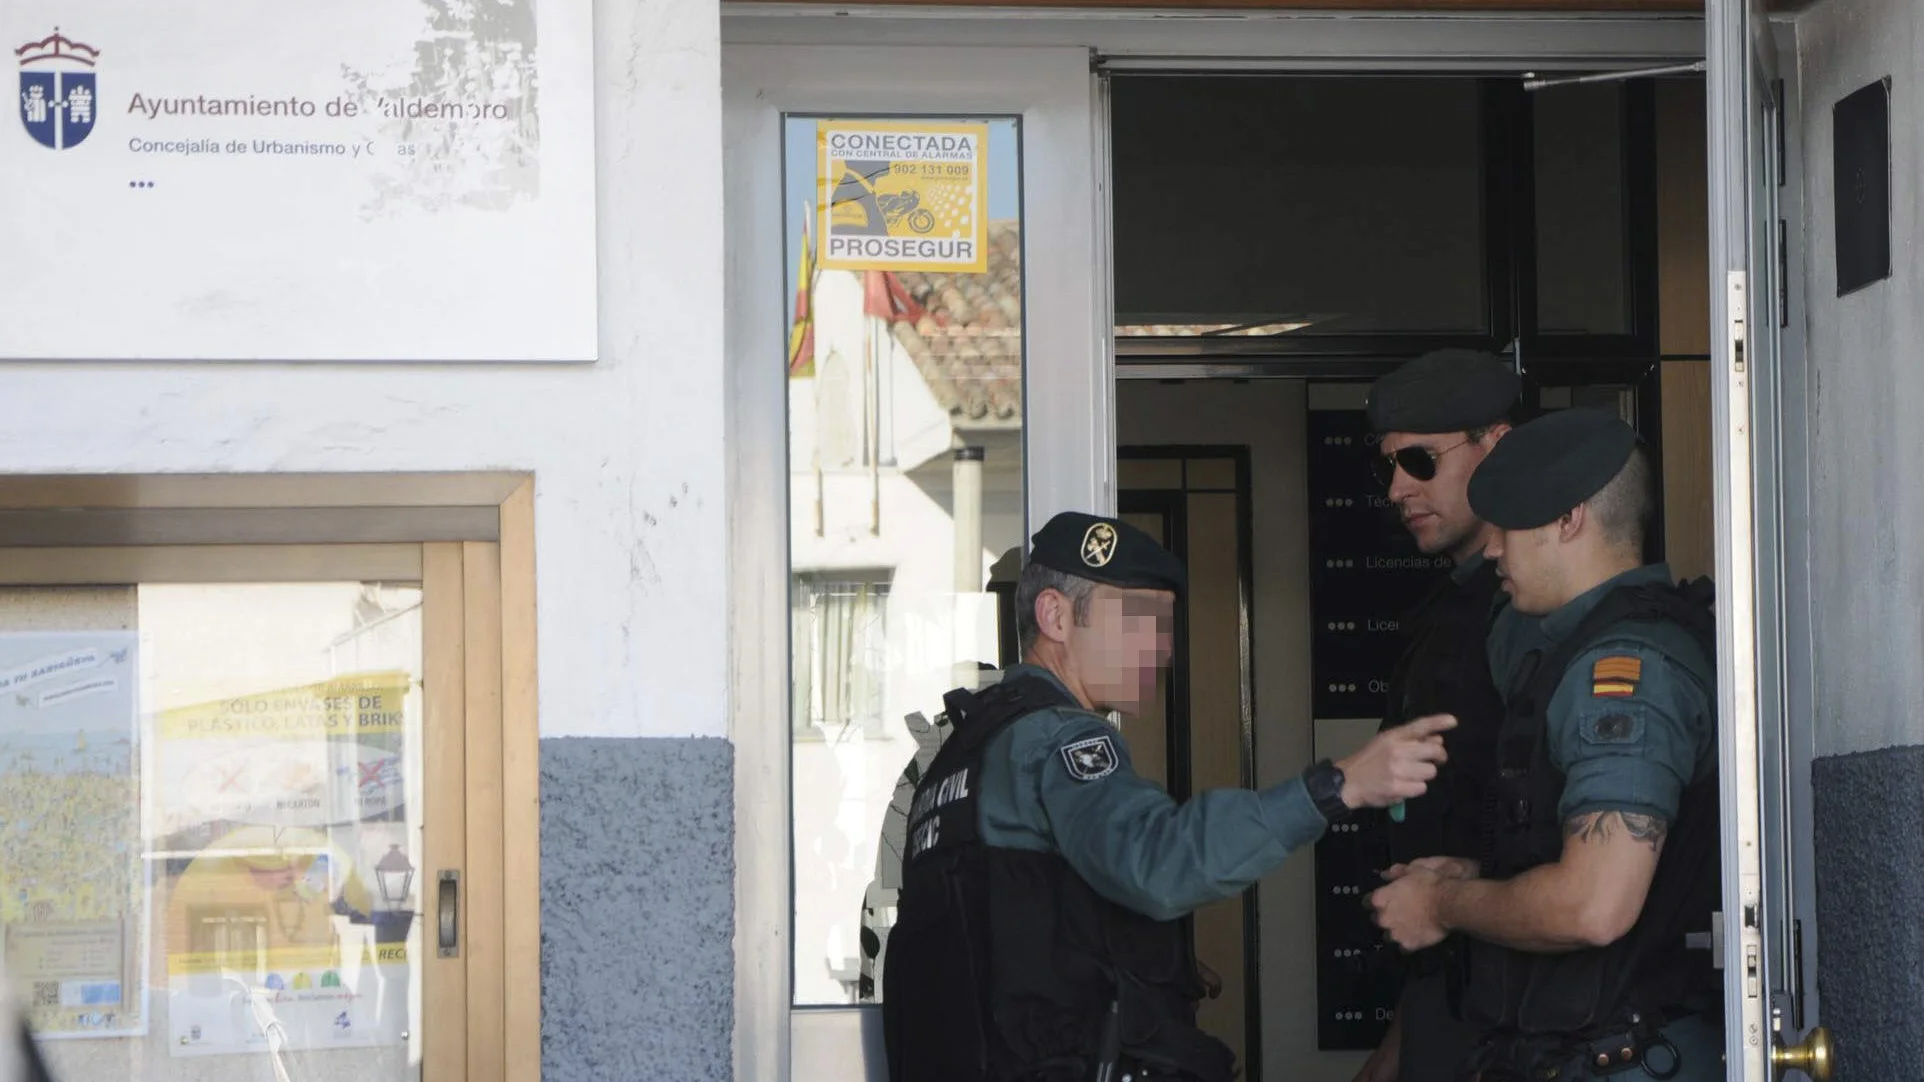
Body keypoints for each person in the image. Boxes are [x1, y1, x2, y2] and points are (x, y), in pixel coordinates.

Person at [882, 511, 1459, 1082]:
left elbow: (1004, 929)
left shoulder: (963, 752)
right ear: (1055, 616)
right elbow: (1156, 862)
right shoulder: (1058, 736)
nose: (1162, 650)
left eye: (1164, 627)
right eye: (1138, 621)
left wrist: (1131, 959)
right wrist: (1338, 786)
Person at [1365, 409, 1723, 1082]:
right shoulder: (1577, 652)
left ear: (1568, 519)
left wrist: (1442, 905)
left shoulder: (1623, 672)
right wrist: (1474, 879)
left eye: (1508, 523)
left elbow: (1593, 905)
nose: (1493, 549)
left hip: (1629, 1057)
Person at [1352, 349, 1520, 1082]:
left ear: (1498, 445)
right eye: (1388, 465)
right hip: (1450, 990)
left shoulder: (1540, 615)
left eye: (1421, 460)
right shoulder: (1446, 610)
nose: (1398, 488)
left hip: (1521, 1007)